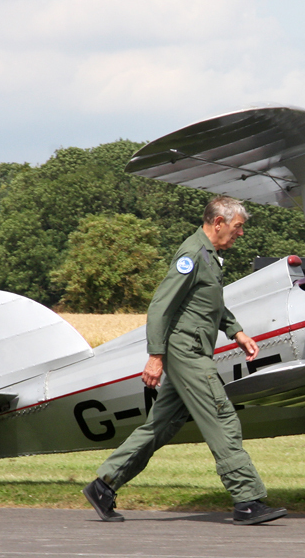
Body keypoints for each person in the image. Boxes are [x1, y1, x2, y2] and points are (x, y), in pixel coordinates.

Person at [83, 196, 287, 526]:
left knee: (160, 426)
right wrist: (155, 357)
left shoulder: (209, 256)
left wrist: (237, 332)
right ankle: (247, 500)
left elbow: (210, 304)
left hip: (189, 352)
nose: (241, 234)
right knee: (223, 420)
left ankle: (103, 486)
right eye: (237, 228)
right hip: (187, 353)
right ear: (218, 223)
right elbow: (160, 307)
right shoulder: (192, 254)